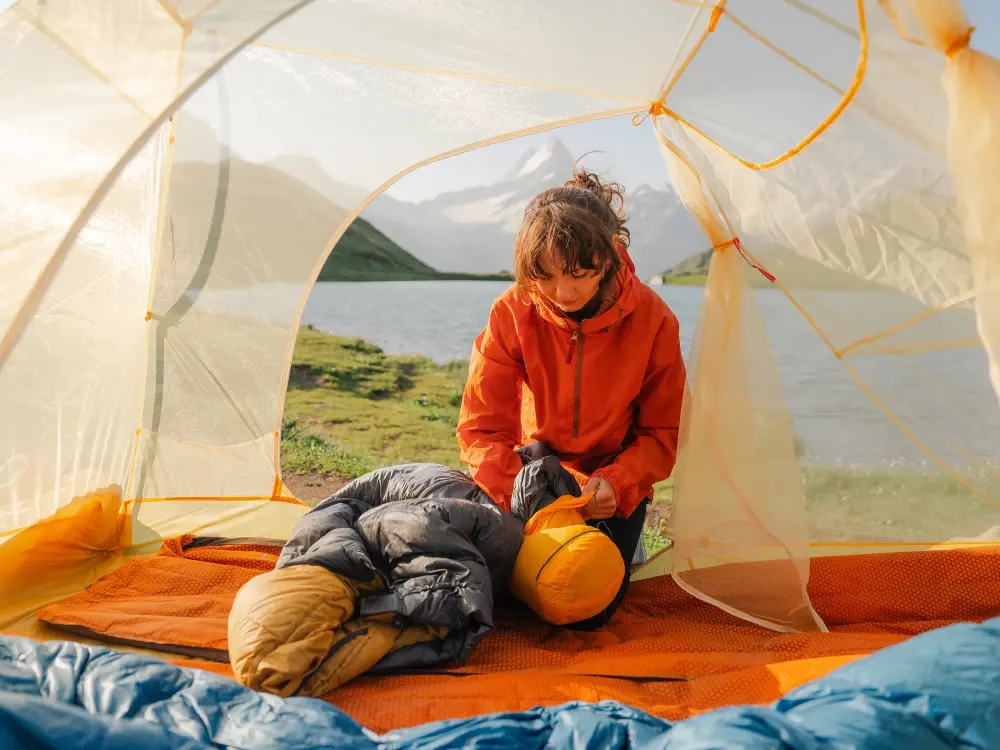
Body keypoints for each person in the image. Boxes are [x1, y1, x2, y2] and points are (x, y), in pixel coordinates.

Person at [456, 168, 687, 629]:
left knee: (586, 610)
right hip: (534, 471)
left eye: (579, 274)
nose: (563, 293)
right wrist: (519, 496)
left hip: (609, 482)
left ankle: (623, 539)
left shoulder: (655, 321)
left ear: (609, 256)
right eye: (545, 276)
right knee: (498, 590)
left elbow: (662, 434)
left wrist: (617, 485)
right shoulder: (513, 310)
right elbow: (481, 428)